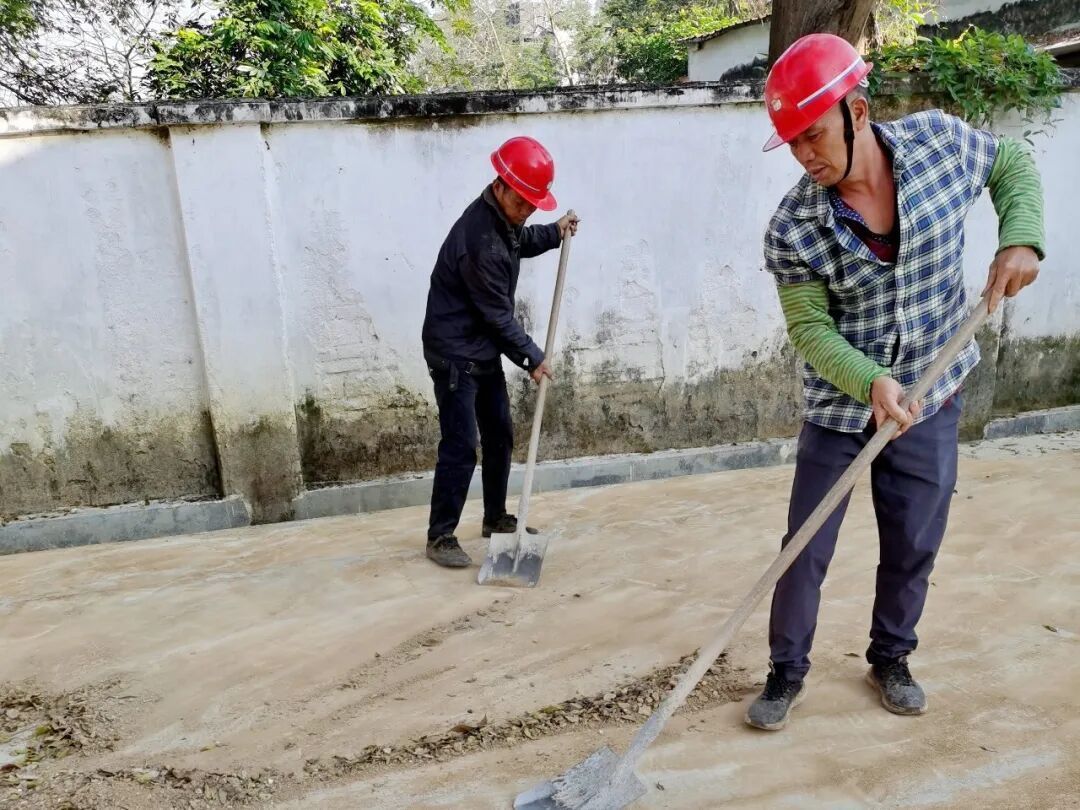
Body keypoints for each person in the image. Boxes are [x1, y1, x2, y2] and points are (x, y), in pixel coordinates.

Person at [746, 33, 1044, 730]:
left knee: (914, 540)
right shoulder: (793, 226)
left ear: (857, 111)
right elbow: (811, 330)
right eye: (792, 142)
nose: (805, 155)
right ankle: (786, 671)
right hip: (842, 408)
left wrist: (1021, 237)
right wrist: (871, 380)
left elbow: (1011, 163)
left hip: (931, 395)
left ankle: (891, 657)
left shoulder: (939, 144)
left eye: (814, 135)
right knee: (804, 547)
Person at [421, 136, 579, 569]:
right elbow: (496, 316)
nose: (526, 210)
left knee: (500, 433)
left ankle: (495, 518)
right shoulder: (480, 241)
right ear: (499, 186)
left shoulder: (501, 221)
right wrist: (534, 357)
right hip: (455, 353)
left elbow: (519, 240)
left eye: (533, 204)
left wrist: (554, 231)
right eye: (521, 201)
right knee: (461, 444)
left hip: (481, 347)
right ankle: (440, 536)